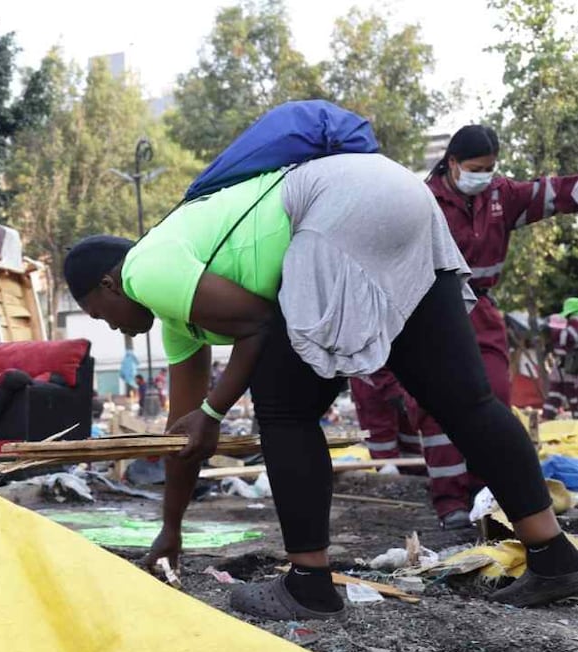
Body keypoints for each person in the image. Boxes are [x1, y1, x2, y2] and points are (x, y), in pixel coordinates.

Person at [63, 151, 578, 621]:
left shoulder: (145, 268)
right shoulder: (181, 309)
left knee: (284, 408)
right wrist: (171, 528)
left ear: (109, 285)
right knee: (468, 402)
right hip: (400, 194)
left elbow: (260, 326)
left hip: (342, 210)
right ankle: (553, 557)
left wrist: (216, 412)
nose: (107, 324)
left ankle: (308, 584)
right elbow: (183, 436)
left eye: (96, 312)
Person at [402, 125, 578, 510]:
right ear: (452, 163)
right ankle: (450, 504)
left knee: (493, 400)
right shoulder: (422, 201)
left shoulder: (502, 195)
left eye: (491, 168)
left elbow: (553, 193)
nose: (485, 175)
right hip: (431, 311)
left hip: (480, 310)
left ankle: (488, 492)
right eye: (477, 167)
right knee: (436, 406)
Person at [350, 369, 477, 528]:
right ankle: (389, 470)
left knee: (412, 425)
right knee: (380, 429)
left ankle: (414, 472)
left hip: (405, 371)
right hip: (369, 375)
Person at [545, 298, 578, 420]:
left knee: (555, 394)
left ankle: (546, 418)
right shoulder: (572, 328)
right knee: (575, 396)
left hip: (561, 367)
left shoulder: (566, 328)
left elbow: (559, 346)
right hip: (572, 370)